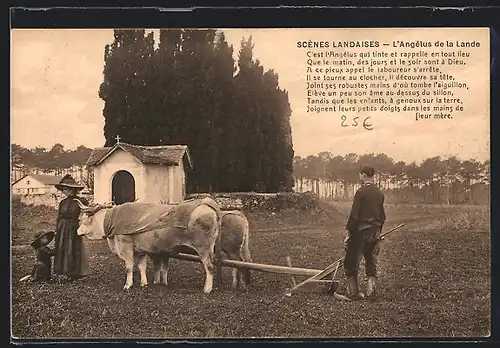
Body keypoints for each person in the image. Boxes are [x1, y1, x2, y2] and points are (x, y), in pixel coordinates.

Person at [342, 165, 386, 300]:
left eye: (360, 175)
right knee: (371, 261)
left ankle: (353, 293)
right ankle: (371, 292)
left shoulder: (360, 192)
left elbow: (354, 215)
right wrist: (379, 232)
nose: (359, 177)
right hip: (375, 232)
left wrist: (349, 233)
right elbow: (382, 216)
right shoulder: (379, 193)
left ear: (364, 175)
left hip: (360, 232)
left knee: (351, 261)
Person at [53, 174, 90, 281]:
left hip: (73, 226)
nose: (64, 191)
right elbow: (59, 217)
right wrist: (57, 229)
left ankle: (75, 273)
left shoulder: (80, 201)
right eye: (63, 189)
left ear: (73, 189)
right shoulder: (62, 202)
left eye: (66, 189)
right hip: (62, 226)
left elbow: (87, 211)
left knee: (73, 248)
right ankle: (64, 271)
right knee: (62, 247)